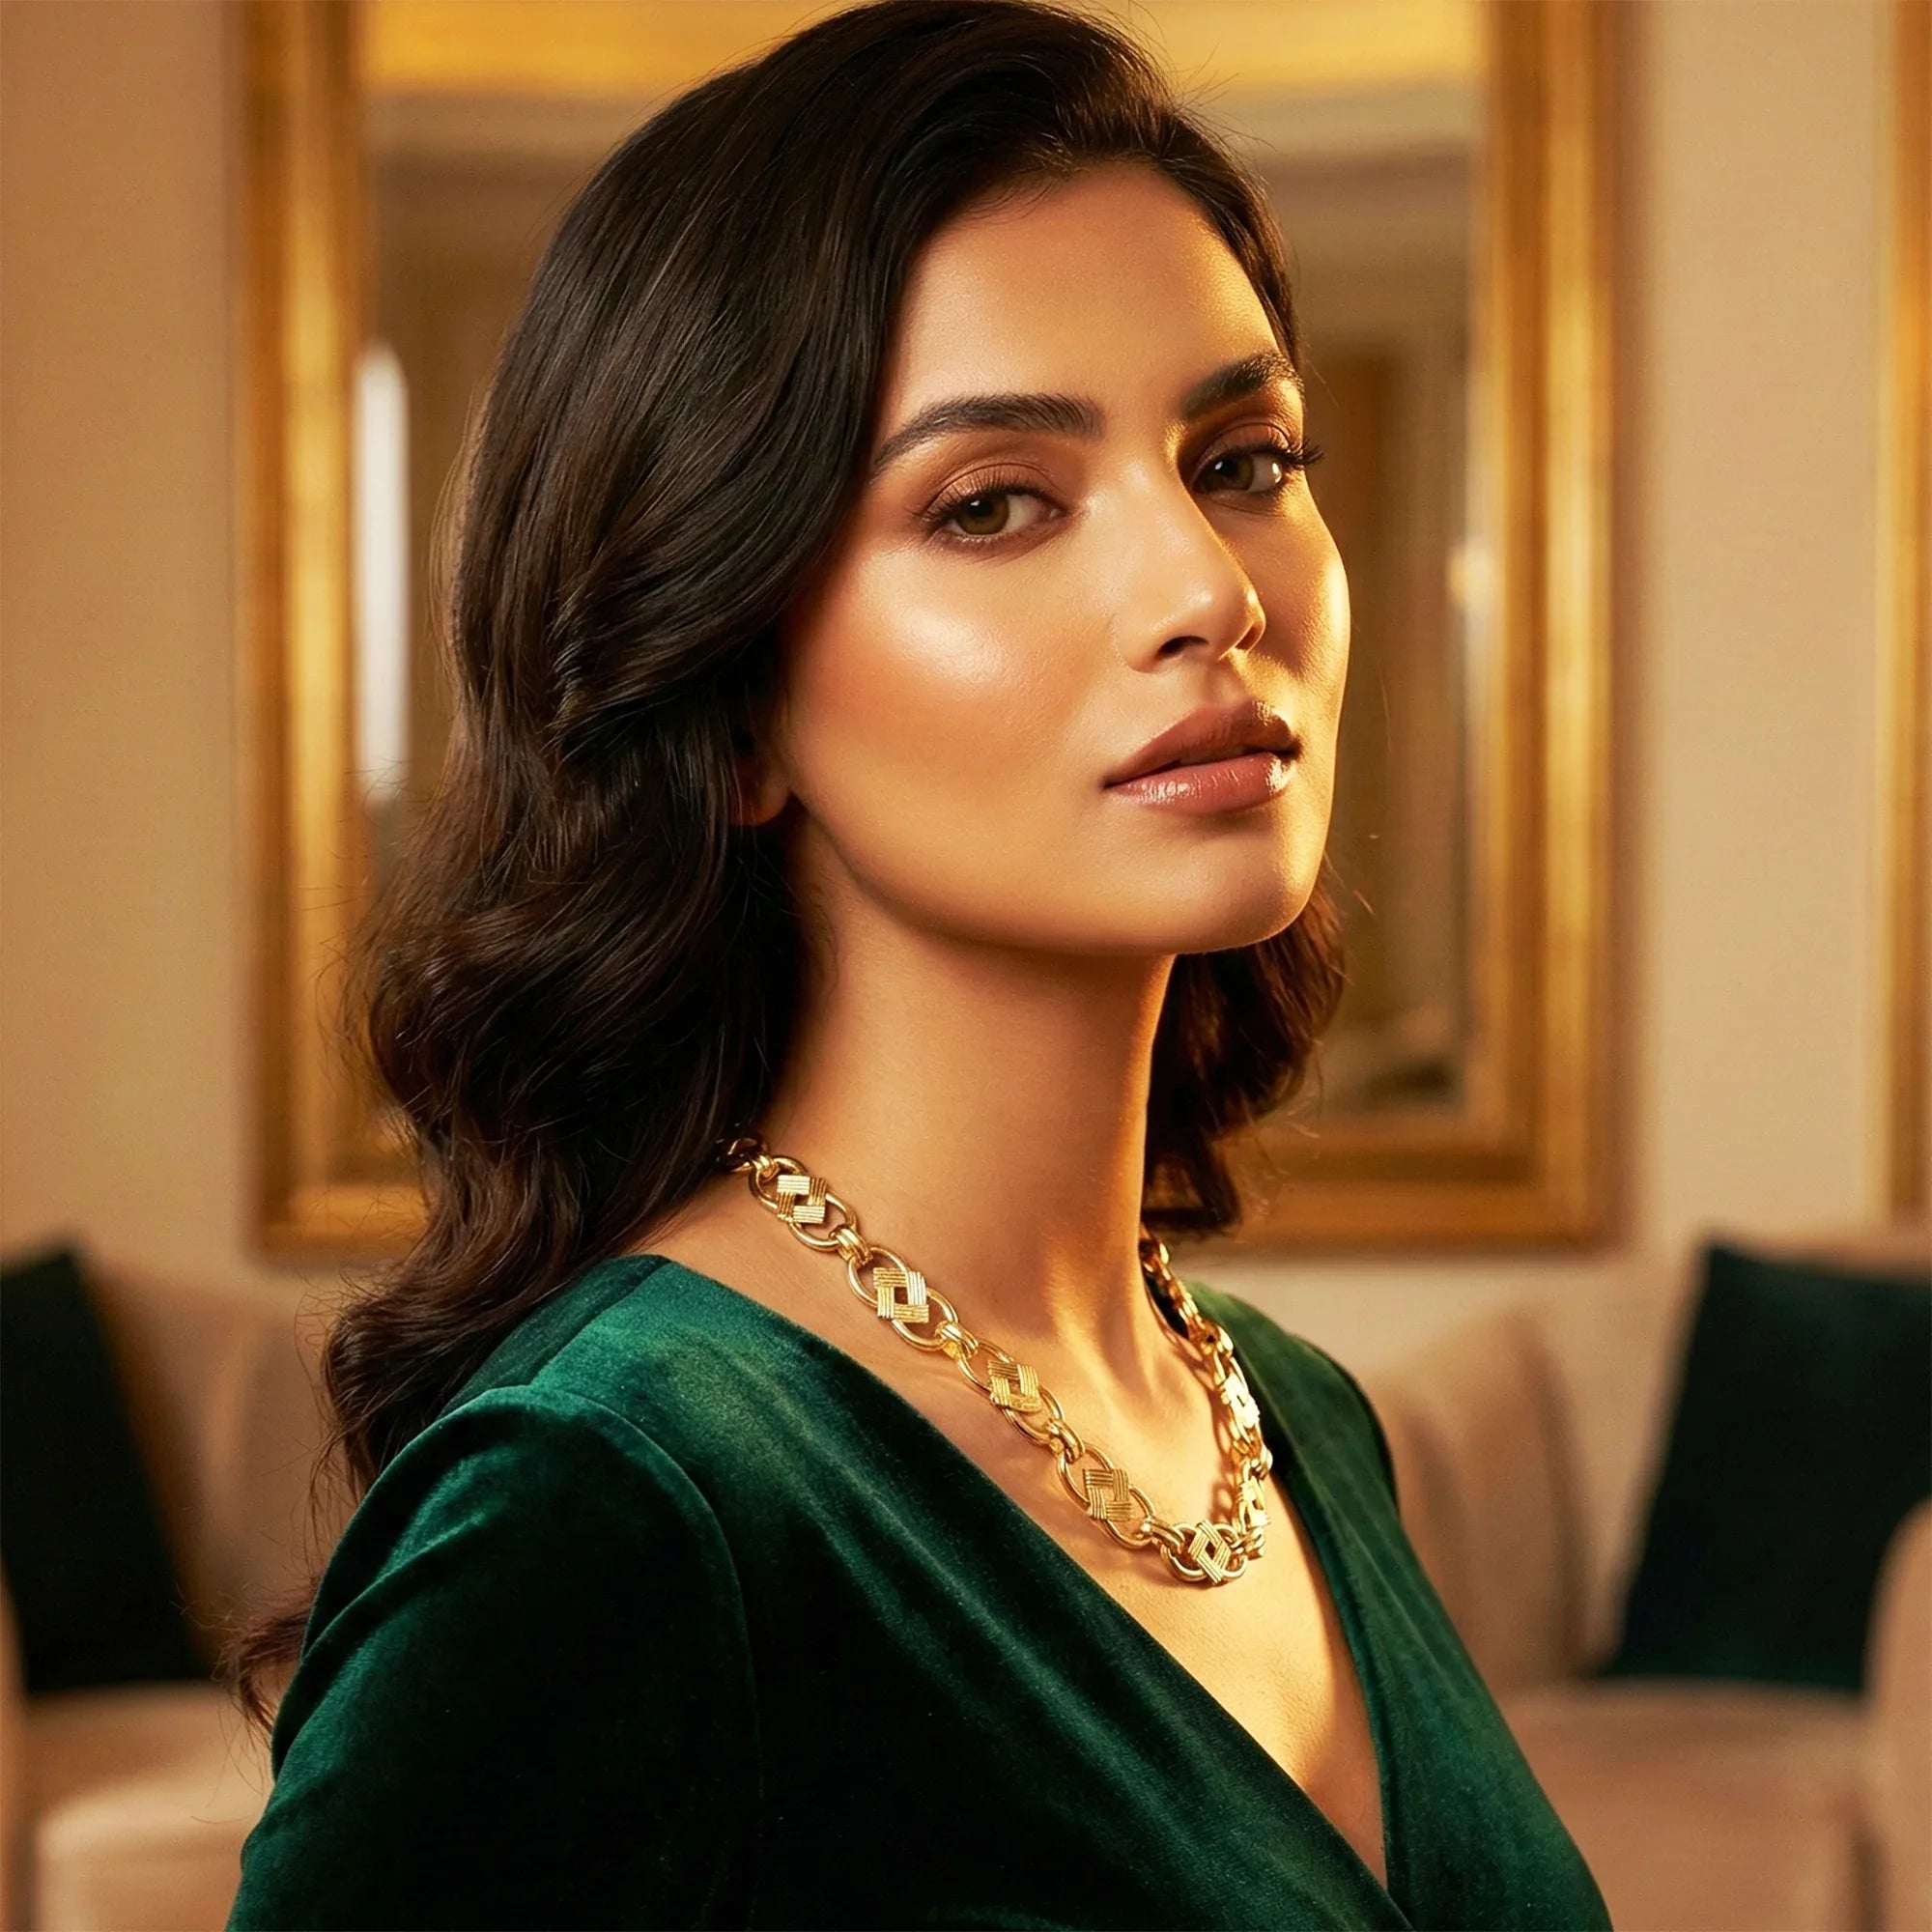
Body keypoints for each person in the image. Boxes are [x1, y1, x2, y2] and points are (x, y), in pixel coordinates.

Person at [222, 3, 1613, 1927]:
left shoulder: (1288, 1420)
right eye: (994, 504)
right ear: (729, 703)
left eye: (1242, 456)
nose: (1209, 590)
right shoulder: (616, 1503)